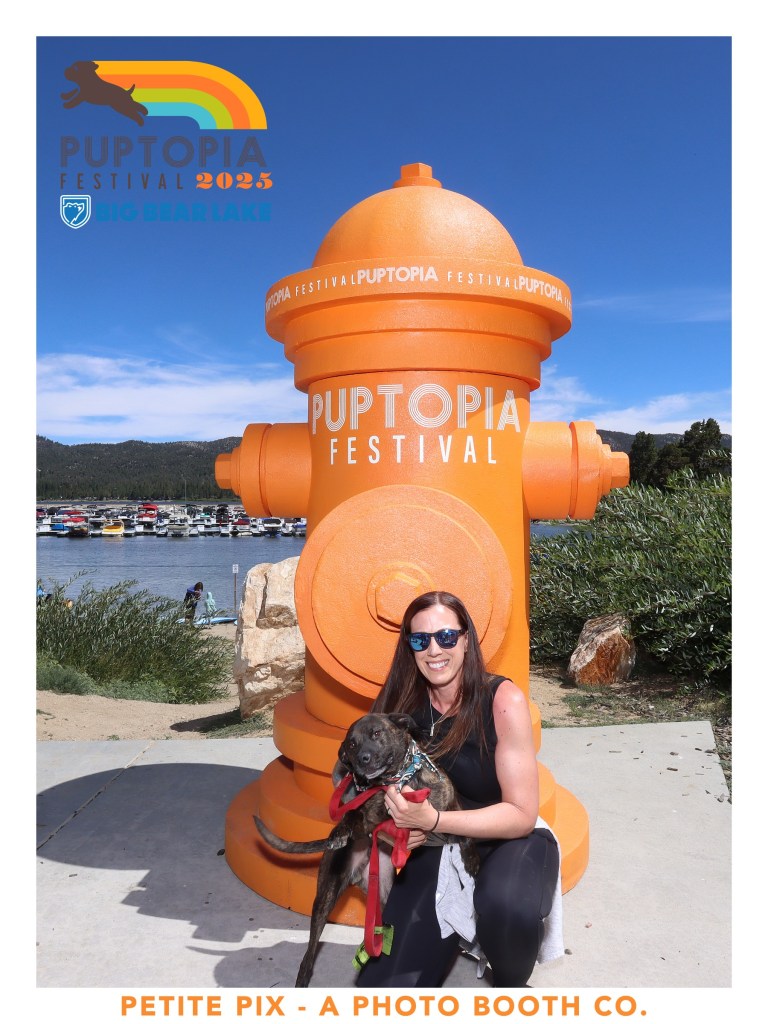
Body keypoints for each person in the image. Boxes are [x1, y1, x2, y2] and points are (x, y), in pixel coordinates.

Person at [356, 590, 563, 988]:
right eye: (421, 640)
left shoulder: (502, 700)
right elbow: (369, 787)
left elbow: (521, 814)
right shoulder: (399, 703)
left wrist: (432, 819)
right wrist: (393, 825)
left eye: (446, 636)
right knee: (383, 987)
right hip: (438, 845)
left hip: (508, 836)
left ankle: (509, 987)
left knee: (507, 909)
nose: (434, 649)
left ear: (466, 639)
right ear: (410, 647)